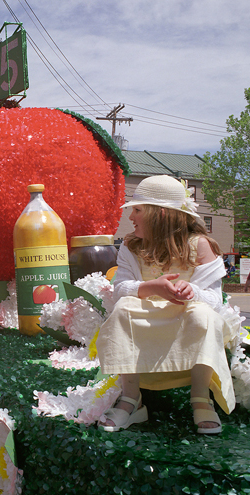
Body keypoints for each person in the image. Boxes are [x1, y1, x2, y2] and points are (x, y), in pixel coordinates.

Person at [96, 175, 236, 435]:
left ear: (160, 214)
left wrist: (191, 290)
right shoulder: (131, 246)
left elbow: (215, 300)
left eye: (137, 210)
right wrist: (152, 287)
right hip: (147, 314)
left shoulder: (201, 246)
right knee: (124, 308)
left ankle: (200, 395)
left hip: (183, 316)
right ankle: (131, 398)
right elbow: (121, 290)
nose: (131, 217)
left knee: (203, 314)